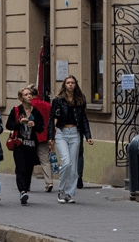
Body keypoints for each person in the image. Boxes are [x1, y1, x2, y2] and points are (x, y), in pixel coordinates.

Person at [47, 75, 93, 204]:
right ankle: (61, 190)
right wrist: (50, 137)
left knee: (73, 167)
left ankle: (69, 193)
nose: (70, 85)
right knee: (66, 162)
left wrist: (88, 136)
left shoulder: (80, 99)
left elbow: (84, 118)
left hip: (75, 133)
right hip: (61, 132)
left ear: (75, 85)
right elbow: (51, 119)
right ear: (65, 85)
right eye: (68, 83)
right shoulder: (58, 100)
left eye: (72, 83)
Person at [6, 87, 45, 205]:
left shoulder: (35, 112)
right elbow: (8, 125)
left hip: (32, 144)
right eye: (26, 94)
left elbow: (41, 127)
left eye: (30, 94)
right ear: (21, 98)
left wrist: (34, 125)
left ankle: (25, 189)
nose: (29, 96)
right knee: (20, 168)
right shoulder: (16, 110)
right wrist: (19, 123)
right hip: (19, 144)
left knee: (28, 169)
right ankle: (22, 191)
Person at [26, 83, 54, 192]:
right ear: (37, 93)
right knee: (45, 160)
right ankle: (49, 182)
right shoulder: (47, 105)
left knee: (28, 161)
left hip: (30, 136)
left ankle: (26, 184)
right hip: (44, 136)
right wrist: (52, 137)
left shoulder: (27, 105)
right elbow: (51, 122)